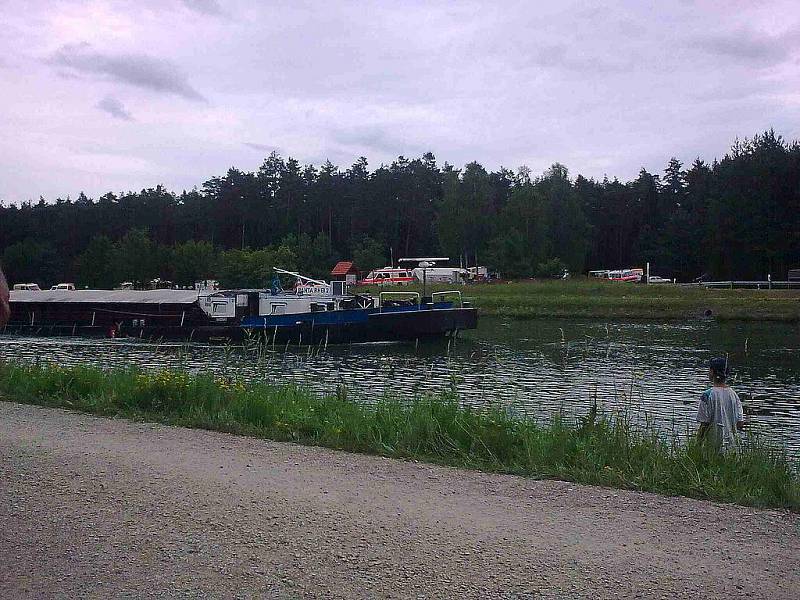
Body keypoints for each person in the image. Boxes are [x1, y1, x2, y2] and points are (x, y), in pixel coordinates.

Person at [696, 357, 745, 452]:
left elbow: (704, 424)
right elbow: (740, 423)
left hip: (712, 448)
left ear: (712, 372)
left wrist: (698, 444)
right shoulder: (734, 395)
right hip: (731, 448)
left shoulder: (707, 395)